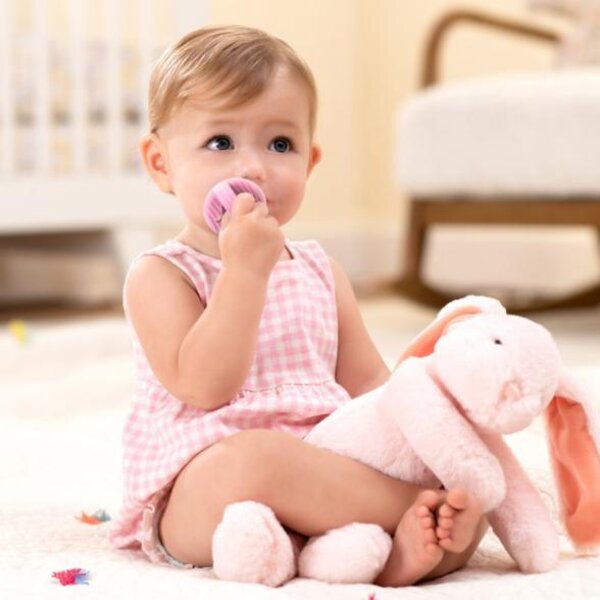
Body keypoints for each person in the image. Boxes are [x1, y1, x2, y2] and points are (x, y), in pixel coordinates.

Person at [109, 24, 487, 587]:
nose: (253, 168)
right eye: (221, 142)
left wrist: (426, 430)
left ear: (310, 162)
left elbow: (370, 384)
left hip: (325, 467)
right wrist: (245, 273)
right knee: (255, 460)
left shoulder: (319, 270)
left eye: (280, 145)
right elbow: (206, 386)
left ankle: (388, 552)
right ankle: (409, 509)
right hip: (201, 488)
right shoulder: (161, 275)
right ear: (161, 162)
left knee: (454, 476)